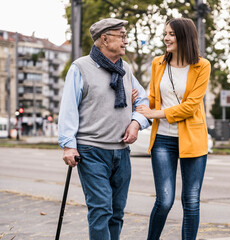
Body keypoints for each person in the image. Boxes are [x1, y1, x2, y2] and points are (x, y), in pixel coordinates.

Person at [58, 18, 150, 240]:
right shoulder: (80, 67)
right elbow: (69, 107)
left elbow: (144, 103)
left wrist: (136, 122)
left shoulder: (125, 70)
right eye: (122, 36)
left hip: (121, 152)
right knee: (101, 210)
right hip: (91, 151)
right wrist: (68, 146)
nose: (126, 41)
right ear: (105, 39)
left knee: (116, 213)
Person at [136, 18, 211, 240]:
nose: (166, 38)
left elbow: (190, 107)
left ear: (184, 37)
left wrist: (155, 114)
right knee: (165, 200)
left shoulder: (202, 66)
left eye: (171, 34)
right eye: (165, 33)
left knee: (191, 200)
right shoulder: (158, 63)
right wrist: (139, 101)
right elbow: (153, 98)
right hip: (162, 140)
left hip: (193, 139)